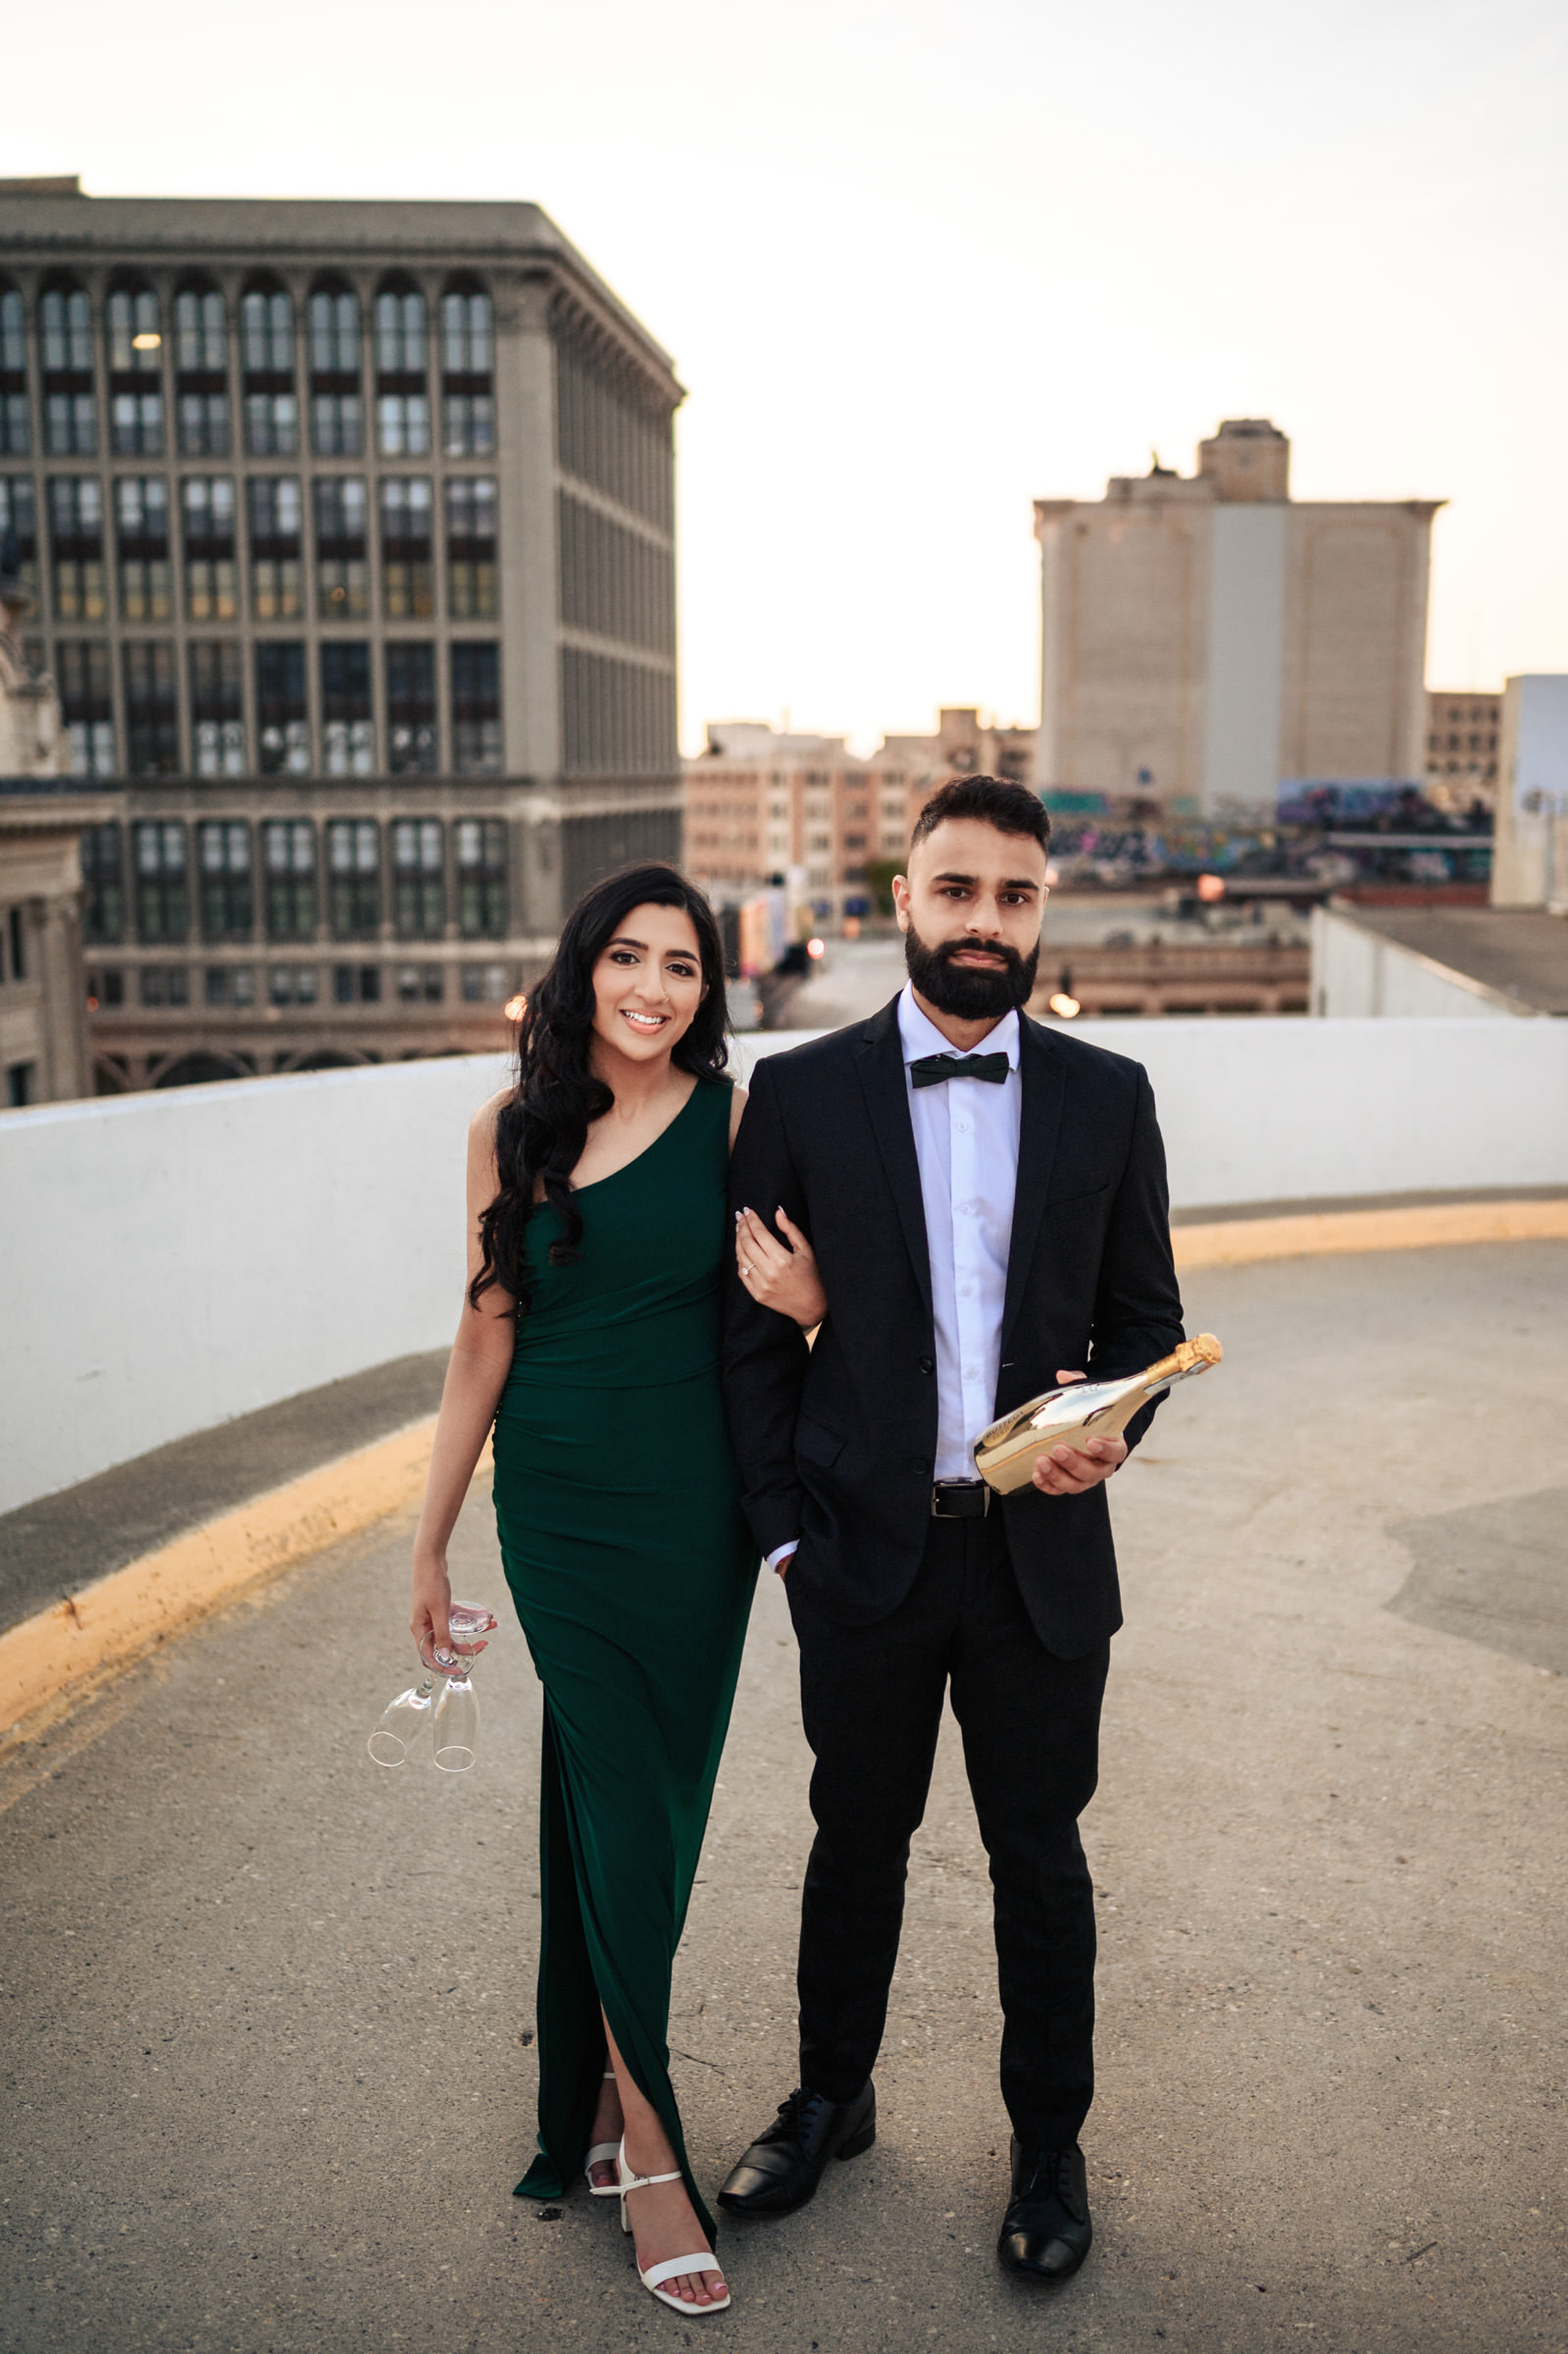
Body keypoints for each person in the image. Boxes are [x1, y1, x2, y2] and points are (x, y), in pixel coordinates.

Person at [721, 776, 1185, 2284]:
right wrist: (786, 1540)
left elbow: (1148, 1322)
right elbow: (747, 1344)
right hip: (860, 1553)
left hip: (1039, 1566)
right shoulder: (794, 1096)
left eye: (1015, 896)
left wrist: (1111, 1427)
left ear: (1040, 913)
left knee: (1038, 1859)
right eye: (957, 890)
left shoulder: (1112, 1097)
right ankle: (827, 2098)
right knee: (854, 1843)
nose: (985, 921)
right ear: (903, 901)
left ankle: (1049, 2147)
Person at [409, 862, 826, 2318]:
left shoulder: (741, 1115)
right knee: (619, 1810)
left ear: (711, 991)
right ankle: (653, 2148)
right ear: (584, 968)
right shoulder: (506, 1134)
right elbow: (482, 1344)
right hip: (564, 1510)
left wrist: (816, 1305)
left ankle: (589, 2101)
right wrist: (431, 1536)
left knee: (636, 1809)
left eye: (686, 968)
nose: (657, 989)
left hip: (696, 1514)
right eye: (632, 959)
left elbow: (807, 1290)